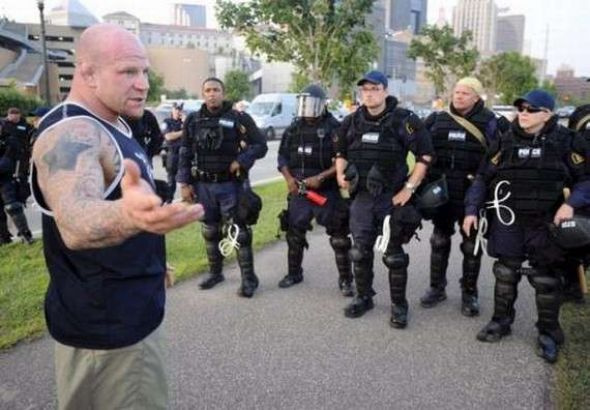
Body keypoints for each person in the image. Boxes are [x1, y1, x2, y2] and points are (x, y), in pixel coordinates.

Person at [30, 24, 204, 409]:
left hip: (124, 315)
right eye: (128, 72)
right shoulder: (72, 130)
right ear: (87, 73)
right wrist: (135, 220)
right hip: (109, 335)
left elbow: (118, 205)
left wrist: (150, 254)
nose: (142, 84)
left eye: (144, 72)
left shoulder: (117, 124)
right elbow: (76, 221)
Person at [463, 89, 590, 363]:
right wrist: (471, 210)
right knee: (505, 273)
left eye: (531, 110)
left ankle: (547, 332)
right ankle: (501, 321)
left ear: (547, 114)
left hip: (547, 222)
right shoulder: (504, 141)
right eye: (520, 108)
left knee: (545, 279)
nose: (523, 114)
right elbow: (483, 178)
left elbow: (586, 180)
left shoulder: (567, 141)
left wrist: (572, 204)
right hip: (509, 219)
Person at [335, 70, 434, 328]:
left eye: (374, 88)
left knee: (394, 256)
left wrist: (409, 189)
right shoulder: (351, 122)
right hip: (362, 200)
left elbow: (425, 156)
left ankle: (399, 306)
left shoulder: (404, 120)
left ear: (385, 91)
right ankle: (363, 297)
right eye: (365, 89)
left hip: (391, 198)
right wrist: (340, 175)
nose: (369, 93)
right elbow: (340, 153)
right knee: (359, 252)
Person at [419, 77, 508, 316]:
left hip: (473, 192)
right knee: (439, 240)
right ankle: (437, 287)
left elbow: (505, 154)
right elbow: (418, 146)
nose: (458, 96)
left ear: (477, 97)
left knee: (471, 245)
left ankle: (469, 293)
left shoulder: (491, 122)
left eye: (465, 93)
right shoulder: (437, 119)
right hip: (442, 191)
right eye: (456, 92)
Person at [177, 77, 267, 298]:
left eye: (216, 90)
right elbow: (185, 152)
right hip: (203, 185)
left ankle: (249, 280)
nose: (212, 94)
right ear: (203, 94)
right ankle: (215, 273)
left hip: (230, 185)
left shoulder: (238, 118)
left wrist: (242, 160)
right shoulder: (193, 120)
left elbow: (260, 145)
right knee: (210, 230)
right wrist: (184, 183)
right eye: (207, 90)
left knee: (239, 232)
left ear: (223, 93)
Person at [277, 84, 353, 296]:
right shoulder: (293, 128)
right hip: (299, 190)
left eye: (311, 104)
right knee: (294, 233)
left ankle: (346, 280)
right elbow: (282, 157)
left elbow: (343, 159)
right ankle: (294, 273)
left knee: (339, 237)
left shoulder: (335, 128)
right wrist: (289, 179)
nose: (306, 108)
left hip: (326, 191)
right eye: (303, 103)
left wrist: (321, 177)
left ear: (322, 104)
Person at [0, 107, 34, 244]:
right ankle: (3, 237)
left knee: (13, 206)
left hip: (8, 177)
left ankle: (25, 235)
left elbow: (8, 161)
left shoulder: (10, 141)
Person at [162, 103, 184, 202]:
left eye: (180, 110)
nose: (178, 111)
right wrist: (183, 132)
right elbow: (168, 136)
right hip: (172, 153)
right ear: (172, 110)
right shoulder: (167, 122)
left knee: (186, 178)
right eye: (176, 109)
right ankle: (169, 200)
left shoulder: (184, 122)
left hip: (184, 153)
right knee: (171, 180)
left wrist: (185, 122)